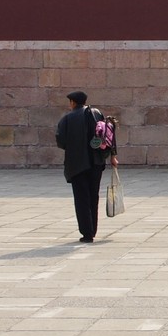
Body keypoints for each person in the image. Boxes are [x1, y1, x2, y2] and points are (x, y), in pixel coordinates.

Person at [55, 91, 115, 242]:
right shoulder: (97, 113)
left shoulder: (67, 119)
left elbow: (61, 141)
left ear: (73, 102)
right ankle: (93, 229)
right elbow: (109, 133)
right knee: (93, 196)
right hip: (97, 162)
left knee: (82, 198)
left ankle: (87, 233)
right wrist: (113, 155)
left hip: (77, 164)